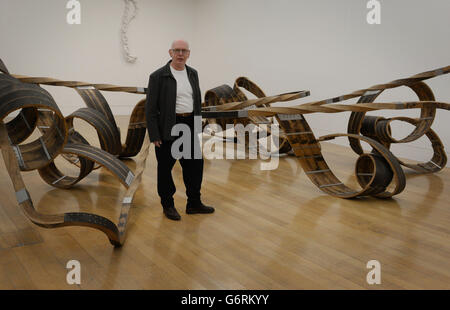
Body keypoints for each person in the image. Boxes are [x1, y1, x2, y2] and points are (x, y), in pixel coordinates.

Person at [145, 39, 214, 221]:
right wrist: (154, 134)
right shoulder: (158, 76)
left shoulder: (193, 74)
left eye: (184, 51)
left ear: (188, 53)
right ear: (170, 53)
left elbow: (196, 101)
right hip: (168, 127)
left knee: (194, 167)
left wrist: (198, 127)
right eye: (177, 50)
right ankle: (168, 205)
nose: (181, 54)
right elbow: (150, 109)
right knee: (165, 169)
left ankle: (194, 203)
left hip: (189, 124)